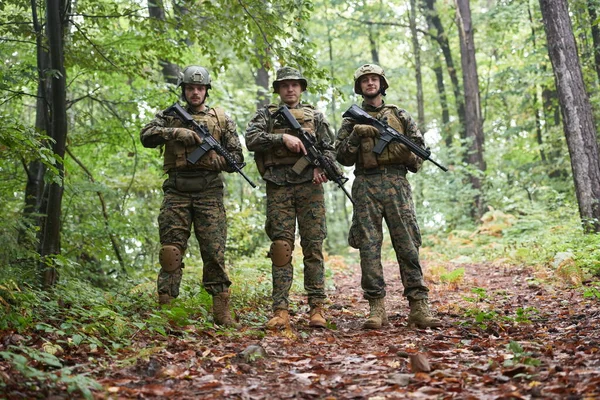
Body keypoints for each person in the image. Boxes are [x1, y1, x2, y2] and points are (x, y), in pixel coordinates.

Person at [335, 64, 441, 329]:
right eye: (365, 80)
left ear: (382, 84)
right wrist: (356, 138)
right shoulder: (351, 120)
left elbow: (418, 158)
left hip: (397, 184)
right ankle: (376, 308)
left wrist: (406, 152)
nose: (370, 84)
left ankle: (418, 306)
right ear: (359, 87)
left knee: (408, 244)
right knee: (369, 247)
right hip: (366, 185)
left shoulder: (400, 115)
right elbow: (342, 158)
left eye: (374, 79)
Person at [140, 65, 242, 328]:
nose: (195, 92)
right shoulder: (168, 116)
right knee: (171, 251)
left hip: (209, 192)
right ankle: (167, 311)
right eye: (190, 88)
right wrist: (176, 132)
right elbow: (146, 135)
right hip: (176, 192)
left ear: (206, 91)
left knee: (214, 252)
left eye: (200, 88)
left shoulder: (221, 119)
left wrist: (213, 159)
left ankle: (221, 310)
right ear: (184, 90)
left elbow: (237, 160)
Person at [245, 66, 335, 329]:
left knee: (313, 247)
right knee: (281, 249)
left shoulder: (315, 116)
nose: (290, 89)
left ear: (301, 88)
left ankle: (317, 307)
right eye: (285, 85)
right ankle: (280, 309)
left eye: (295, 85)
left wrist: (321, 166)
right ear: (278, 90)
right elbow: (251, 139)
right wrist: (281, 138)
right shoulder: (266, 115)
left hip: (310, 188)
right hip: (279, 187)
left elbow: (330, 150)